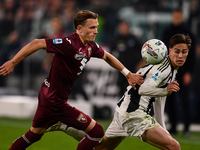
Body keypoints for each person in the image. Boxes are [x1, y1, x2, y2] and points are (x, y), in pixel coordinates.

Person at [0, 10, 143, 150]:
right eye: (92, 27)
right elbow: (37, 43)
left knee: (34, 135)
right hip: (54, 102)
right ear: (80, 28)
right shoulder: (68, 43)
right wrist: (13, 62)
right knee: (97, 132)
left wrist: (128, 74)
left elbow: (107, 56)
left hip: (47, 94)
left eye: (97, 27)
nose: (96, 31)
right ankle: (60, 123)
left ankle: (57, 124)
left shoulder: (90, 46)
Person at [47, 33, 191, 150]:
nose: (180, 55)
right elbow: (143, 89)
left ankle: (64, 126)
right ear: (170, 50)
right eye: (177, 51)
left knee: (100, 147)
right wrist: (165, 90)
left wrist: (162, 128)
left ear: (188, 52)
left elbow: (159, 102)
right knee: (174, 146)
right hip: (134, 114)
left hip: (125, 110)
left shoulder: (170, 70)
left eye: (184, 52)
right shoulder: (162, 69)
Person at [162, 8, 196, 136]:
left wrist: (189, 72)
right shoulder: (167, 31)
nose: (177, 18)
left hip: (183, 72)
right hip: (169, 71)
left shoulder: (188, 33)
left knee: (184, 100)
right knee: (169, 100)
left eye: (179, 16)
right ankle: (174, 126)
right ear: (172, 17)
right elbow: (163, 51)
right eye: (175, 16)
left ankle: (187, 127)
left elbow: (192, 56)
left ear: (182, 17)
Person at [110, 20, 143, 97]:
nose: (123, 28)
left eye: (125, 26)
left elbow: (141, 51)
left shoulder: (133, 38)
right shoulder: (116, 39)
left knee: (134, 88)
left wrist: (138, 63)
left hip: (132, 69)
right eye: (122, 26)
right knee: (120, 88)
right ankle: (121, 106)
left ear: (128, 27)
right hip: (121, 69)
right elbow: (110, 53)